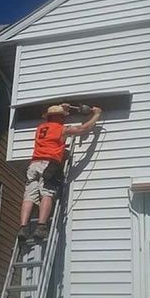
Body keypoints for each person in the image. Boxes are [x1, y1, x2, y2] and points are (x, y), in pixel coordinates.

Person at [19, 103, 102, 240]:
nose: (64, 119)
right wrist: (96, 115)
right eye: (63, 117)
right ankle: (41, 226)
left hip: (34, 164)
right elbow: (83, 128)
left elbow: (54, 121)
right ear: (59, 118)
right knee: (47, 194)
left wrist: (62, 109)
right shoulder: (61, 129)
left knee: (29, 196)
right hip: (49, 163)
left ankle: (23, 228)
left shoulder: (40, 128)